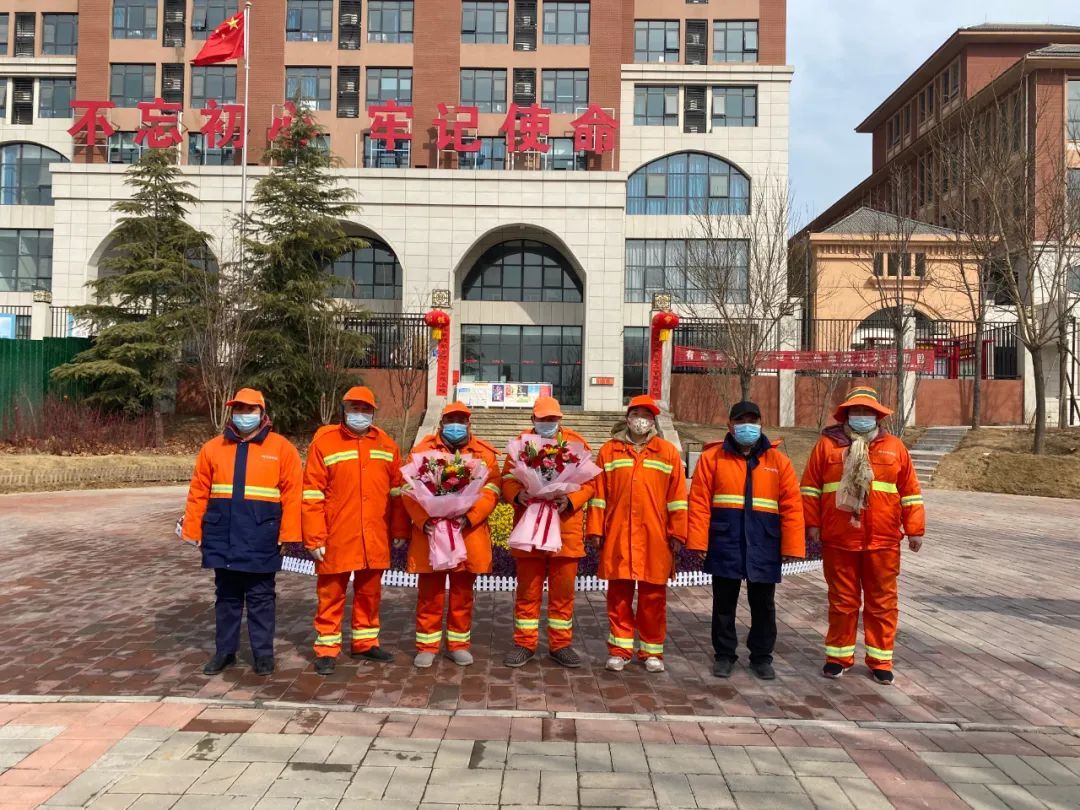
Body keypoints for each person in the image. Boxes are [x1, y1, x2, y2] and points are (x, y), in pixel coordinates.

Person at [801, 386, 925, 685]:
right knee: (842, 601)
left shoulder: (895, 448)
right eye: (856, 412)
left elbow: (910, 492)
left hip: (882, 540)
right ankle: (837, 657)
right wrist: (812, 525)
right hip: (839, 538)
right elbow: (809, 488)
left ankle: (880, 660)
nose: (862, 417)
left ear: (877, 417)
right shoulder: (827, 447)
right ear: (846, 415)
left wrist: (915, 529)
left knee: (882, 602)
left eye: (867, 412)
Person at [181, 388, 302, 677]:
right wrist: (194, 529)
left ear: (262, 414)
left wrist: (289, 534)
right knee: (226, 596)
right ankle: (225, 651)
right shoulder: (212, 448)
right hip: (222, 534)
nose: (243, 415)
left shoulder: (281, 448)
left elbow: (293, 494)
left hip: (262, 535)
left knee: (261, 597)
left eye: (249, 410)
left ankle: (263, 655)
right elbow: (198, 492)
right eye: (239, 409)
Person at [687, 401, 805, 680]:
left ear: (761, 423)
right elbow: (699, 503)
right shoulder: (712, 458)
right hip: (725, 540)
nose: (747, 426)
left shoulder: (778, 461)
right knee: (724, 604)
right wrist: (698, 543)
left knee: (763, 604)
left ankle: (762, 657)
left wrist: (792, 546)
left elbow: (791, 505)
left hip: (764, 542)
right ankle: (724, 655)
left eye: (753, 420)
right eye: (741, 421)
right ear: (729, 425)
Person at [302, 386, 410, 676]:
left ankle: (365, 641)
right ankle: (326, 648)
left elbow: (397, 492)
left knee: (370, 592)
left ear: (373, 412)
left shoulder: (387, 445)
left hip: (374, 534)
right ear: (344, 410)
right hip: (337, 534)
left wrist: (399, 529)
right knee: (330, 594)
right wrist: (314, 536)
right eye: (354, 408)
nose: (359, 414)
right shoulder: (325, 443)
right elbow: (312, 493)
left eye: (365, 409)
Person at [586, 395, 687, 673]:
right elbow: (598, 495)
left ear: (653, 420)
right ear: (628, 416)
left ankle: (651, 651)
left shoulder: (666, 452)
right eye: (638, 413)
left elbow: (677, 497)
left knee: (653, 596)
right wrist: (595, 528)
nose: (642, 419)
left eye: (647, 414)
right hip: (618, 533)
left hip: (655, 536)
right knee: (618, 594)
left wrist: (678, 533)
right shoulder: (609, 451)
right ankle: (620, 650)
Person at [402, 401, 501, 668]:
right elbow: (408, 493)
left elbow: (493, 490)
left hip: (467, 533)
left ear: (469, 424)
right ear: (442, 423)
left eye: (461, 419)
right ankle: (427, 645)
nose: (456, 424)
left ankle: (458, 644)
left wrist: (469, 517)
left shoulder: (484, 454)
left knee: (462, 593)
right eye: (451, 419)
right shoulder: (422, 451)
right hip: (431, 534)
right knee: (430, 593)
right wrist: (423, 521)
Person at [501, 396, 594, 669]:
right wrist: (517, 496)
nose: (547, 424)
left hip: (565, 530)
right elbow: (507, 478)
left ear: (560, 420)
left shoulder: (576, 444)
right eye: (542, 420)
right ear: (533, 420)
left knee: (563, 593)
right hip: (530, 527)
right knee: (527, 591)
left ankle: (560, 644)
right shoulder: (519, 445)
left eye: (552, 420)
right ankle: (524, 643)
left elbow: (590, 483)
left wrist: (571, 500)